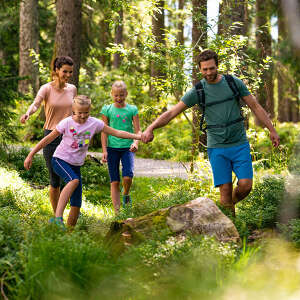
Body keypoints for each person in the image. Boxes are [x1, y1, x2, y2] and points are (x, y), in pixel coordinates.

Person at [141, 49, 280, 215]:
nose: (208, 72)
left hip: (239, 144)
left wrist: (271, 129)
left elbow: (255, 106)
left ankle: (221, 210)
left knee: (246, 185)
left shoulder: (233, 82)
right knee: (225, 190)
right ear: (200, 69)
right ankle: (230, 232)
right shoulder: (198, 91)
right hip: (217, 147)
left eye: (211, 68)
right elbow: (172, 113)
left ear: (217, 66)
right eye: (205, 69)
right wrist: (150, 127)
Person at [24, 95, 141, 227]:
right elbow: (48, 139)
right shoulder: (67, 123)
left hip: (76, 165)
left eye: (86, 112)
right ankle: (57, 218)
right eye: (80, 113)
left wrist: (138, 136)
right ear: (73, 111)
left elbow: (117, 132)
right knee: (74, 180)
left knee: (76, 204)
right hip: (60, 160)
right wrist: (31, 154)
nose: (83, 116)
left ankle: (68, 233)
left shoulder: (94, 123)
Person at [20, 56, 77, 215]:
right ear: (56, 70)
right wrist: (27, 113)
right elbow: (36, 104)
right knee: (54, 180)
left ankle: (68, 210)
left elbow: (75, 112)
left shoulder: (72, 89)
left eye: (70, 72)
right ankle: (57, 216)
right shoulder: (46, 88)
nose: (67, 75)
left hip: (69, 137)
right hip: (51, 136)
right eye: (64, 71)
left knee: (71, 178)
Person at [100, 80, 141, 213]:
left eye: (121, 95)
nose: (119, 98)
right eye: (116, 95)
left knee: (128, 176)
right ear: (111, 94)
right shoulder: (107, 110)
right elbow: (104, 131)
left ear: (126, 94)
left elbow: (138, 130)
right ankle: (117, 212)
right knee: (114, 181)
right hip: (112, 148)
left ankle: (126, 193)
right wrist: (104, 150)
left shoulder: (132, 109)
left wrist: (135, 142)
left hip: (127, 147)